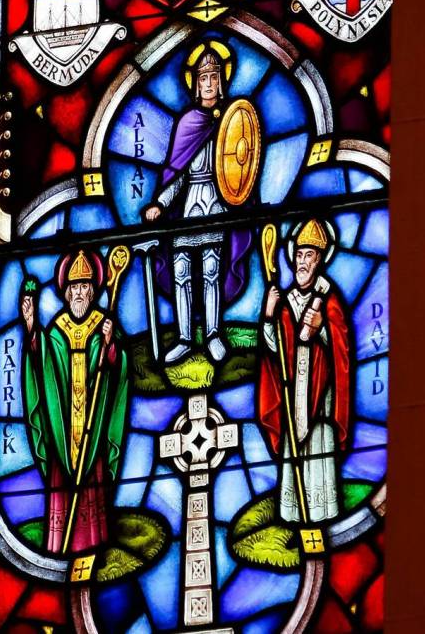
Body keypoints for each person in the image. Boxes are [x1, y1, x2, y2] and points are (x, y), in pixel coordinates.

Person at [143, 40, 252, 364]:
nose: (208, 84)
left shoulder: (231, 122)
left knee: (211, 271)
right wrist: (160, 204)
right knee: (180, 272)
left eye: (214, 77)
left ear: (222, 81)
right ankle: (186, 338)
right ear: (195, 83)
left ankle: (215, 334)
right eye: (203, 78)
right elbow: (176, 174)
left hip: (217, 204)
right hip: (189, 204)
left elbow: (241, 167)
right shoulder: (188, 123)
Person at [21, 249, 129, 553]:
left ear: (93, 291)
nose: (79, 293)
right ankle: (59, 546)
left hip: (92, 432)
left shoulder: (102, 326)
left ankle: (95, 542)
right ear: (66, 293)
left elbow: (118, 370)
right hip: (62, 428)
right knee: (61, 481)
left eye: (85, 287)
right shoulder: (56, 331)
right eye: (74, 287)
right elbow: (43, 367)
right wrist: (31, 329)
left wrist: (109, 348)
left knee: (92, 479)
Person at [258, 219, 350, 525]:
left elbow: (341, 346)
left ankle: (323, 513)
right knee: (293, 450)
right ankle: (292, 513)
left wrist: (321, 328)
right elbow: (274, 350)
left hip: (320, 396)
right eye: (298, 255)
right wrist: (269, 313)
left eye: (308, 255)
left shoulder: (329, 300)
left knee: (318, 447)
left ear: (320, 259)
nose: (301, 262)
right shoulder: (286, 302)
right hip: (292, 394)